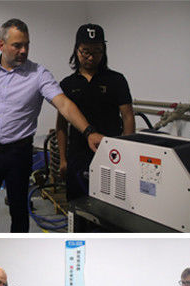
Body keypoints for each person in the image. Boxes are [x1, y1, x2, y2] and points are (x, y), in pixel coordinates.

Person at [0, 19, 104, 233]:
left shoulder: (38, 74)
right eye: (17, 45)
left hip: (18, 154)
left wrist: (89, 131)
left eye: (27, 45)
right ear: (1, 45)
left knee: (19, 210)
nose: (23, 50)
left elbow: (64, 104)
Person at [56, 24, 134, 200]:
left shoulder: (116, 80)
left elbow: (128, 116)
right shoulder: (67, 84)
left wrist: (127, 152)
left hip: (111, 154)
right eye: (86, 51)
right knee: (78, 204)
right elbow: (61, 124)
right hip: (78, 155)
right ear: (77, 50)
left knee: (111, 203)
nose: (91, 57)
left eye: (97, 51)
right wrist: (63, 159)